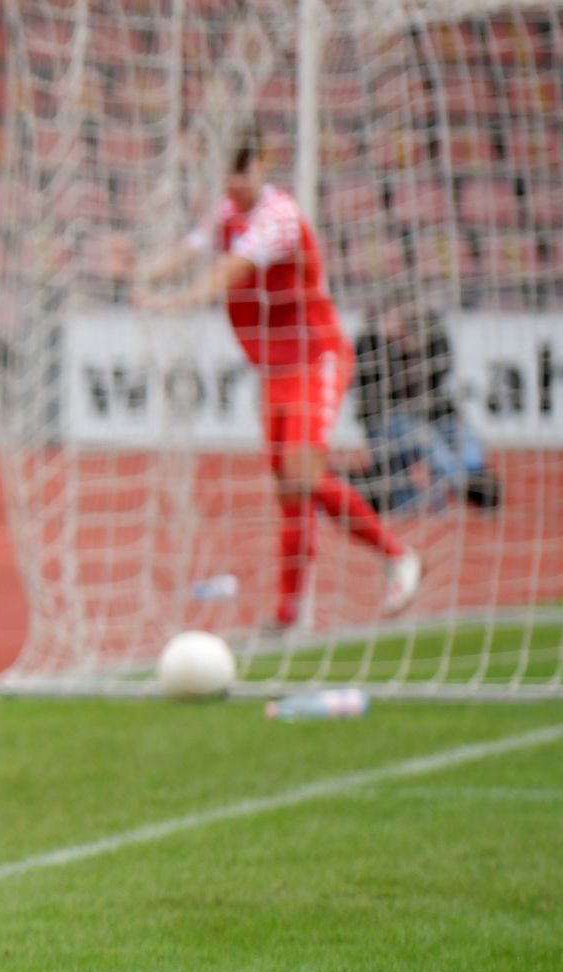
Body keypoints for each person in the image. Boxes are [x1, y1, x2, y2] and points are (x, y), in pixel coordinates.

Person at [138, 132, 421, 631]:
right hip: (274, 370)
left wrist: (173, 302)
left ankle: (397, 556)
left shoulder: (279, 218)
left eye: (241, 172)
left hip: (316, 358)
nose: (233, 185)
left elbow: (228, 271)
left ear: (263, 164)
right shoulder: (227, 211)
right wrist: (139, 273)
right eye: (227, 175)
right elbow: (190, 249)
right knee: (289, 489)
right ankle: (289, 613)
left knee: (303, 473)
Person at [349, 292, 500, 515]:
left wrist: (415, 346)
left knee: (467, 441)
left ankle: (472, 480)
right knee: (430, 445)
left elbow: (442, 371)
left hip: (434, 413)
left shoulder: (431, 333)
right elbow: (370, 388)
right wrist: (394, 348)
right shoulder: (369, 341)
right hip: (390, 419)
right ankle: (464, 487)